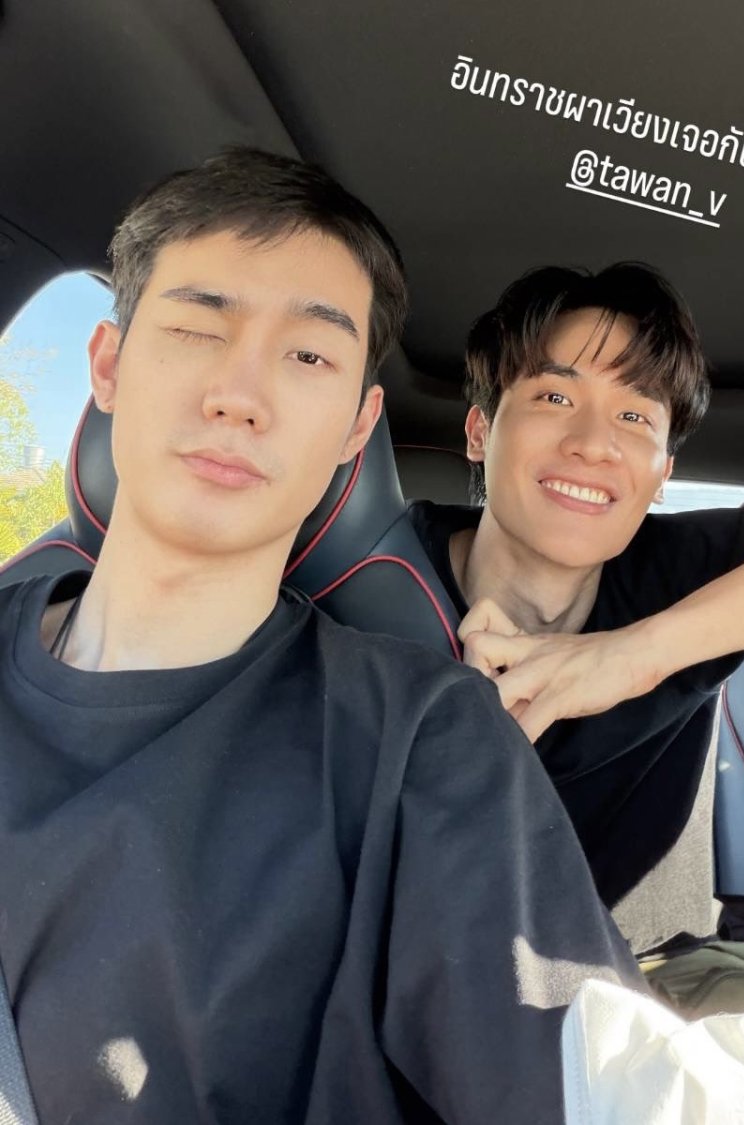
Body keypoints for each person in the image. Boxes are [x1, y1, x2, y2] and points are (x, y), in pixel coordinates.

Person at [0, 151, 644, 1125]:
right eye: (196, 326)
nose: (239, 393)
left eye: (309, 356)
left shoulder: (424, 741)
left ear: (355, 427)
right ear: (108, 365)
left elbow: (591, 1072)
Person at [408, 262, 744, 915]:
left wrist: (636, 655)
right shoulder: (374, 571)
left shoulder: (679, 578)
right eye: (555, 398)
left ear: (663, 475)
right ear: (479, 432)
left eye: (634, 415)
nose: (595, 445)